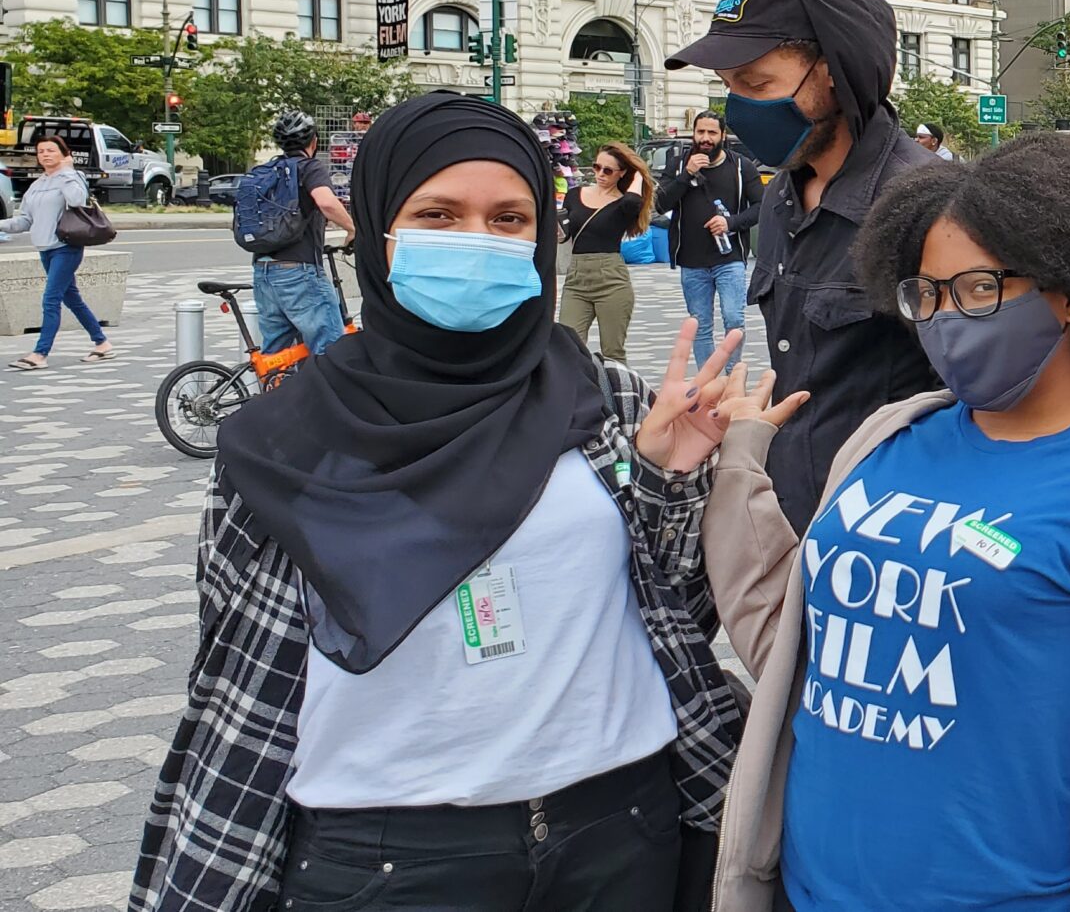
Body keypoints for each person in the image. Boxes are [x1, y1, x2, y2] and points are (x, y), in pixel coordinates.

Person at [131, 91, 745, 912]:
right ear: (380, 226)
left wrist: (673, 480)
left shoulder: (608, 399)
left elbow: (675, 615)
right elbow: (238, 657)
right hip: (382, 856)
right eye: (438, 213)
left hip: (618, 828)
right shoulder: (288, 438)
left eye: (507, 219)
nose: (476, 242)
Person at [695, 132, 1070, 912]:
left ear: (1068, 291)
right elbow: (801, 641)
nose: (947, 317)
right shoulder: (886, 438)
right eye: (926, 293)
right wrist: (741, 460)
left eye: (979, 288)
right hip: (811, 888)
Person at [666, 0, 940, 531]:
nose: (737, 109)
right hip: (794, 510)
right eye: (728, 89)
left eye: (757, 84)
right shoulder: (779, 195)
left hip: (893, 528)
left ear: (835, 71)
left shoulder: (929, 203)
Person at [249, 109, 359, 359]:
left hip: (264, 272)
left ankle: (274, 397)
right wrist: (353, 229)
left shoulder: (268, 170)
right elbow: (327, 203)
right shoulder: (309, 167)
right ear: (314, 141)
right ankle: (327, 399)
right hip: (299, 272)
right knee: (330, 349)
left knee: (278, 356)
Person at [660, 110, 763, 372]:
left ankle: (731, 378)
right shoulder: (678, 164)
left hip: (729, 258)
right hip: (692, 260)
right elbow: (661, 203)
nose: (705, 138)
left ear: (723, 135)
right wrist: (686, 174)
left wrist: (730, 223)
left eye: (712, 133)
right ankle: (708, 383)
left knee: (733, 318)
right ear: (694, 134)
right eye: (701, 132)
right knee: (700, 324)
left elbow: (761, 206)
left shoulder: (741, 167)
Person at [3, 135, 112, 370]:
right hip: (45, 249)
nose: (45, 154)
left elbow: (76, 200)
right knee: (72, 298)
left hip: (66, 247)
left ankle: (40, 354)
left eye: (51, 150)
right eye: (41, 151)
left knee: (50, 299)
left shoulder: (73, 177)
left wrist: (67, 171)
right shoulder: (38, 184)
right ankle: (102, 343)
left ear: (64, 153)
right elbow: (24, 220)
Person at [558, 141, 655, 362]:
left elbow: (632, 201)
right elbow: (565, 232)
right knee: (567, 346)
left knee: (613, 352)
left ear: (621, 173)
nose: (600, 174)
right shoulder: (574, 195)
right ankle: (576, 395)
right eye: (596, 167)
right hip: (577, 279)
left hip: (611, 278)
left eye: (608, 170)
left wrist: (638, 176)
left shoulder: (624, 203)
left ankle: (617, 395)